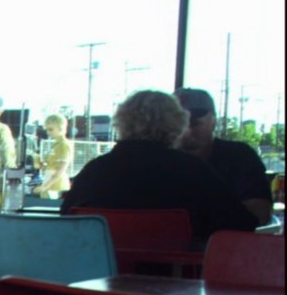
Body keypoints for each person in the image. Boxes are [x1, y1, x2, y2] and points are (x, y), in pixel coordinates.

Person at [60, 90, 258, 243]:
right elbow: (243, 224)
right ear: (177, 124)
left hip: (100, 282)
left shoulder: (95, 170)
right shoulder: (193, 171)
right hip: (176, 284)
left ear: (121, 122)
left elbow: (67, 221)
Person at [174, 88, 272, 225]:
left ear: (213, 121)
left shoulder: (239, 156)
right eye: (180, 123)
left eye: (195, 123)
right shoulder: (160, 160)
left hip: (225, 243)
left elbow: (260, 213)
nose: (187, 131)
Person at [34, 113, 73, 198]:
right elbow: (52, 166)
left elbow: (60, 170)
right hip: (49, 181)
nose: (48, 132)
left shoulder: (64, 145)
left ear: (61, 128)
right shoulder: (56, 144)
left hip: (56, 185)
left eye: (51, 130)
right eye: (47, 130)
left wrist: (45, 186)